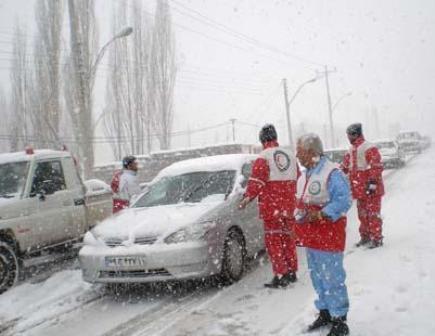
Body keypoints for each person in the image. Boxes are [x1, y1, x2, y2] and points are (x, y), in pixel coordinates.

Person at [294, 133, 351, 336]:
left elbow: (343, 201)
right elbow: (302, 201)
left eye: (299, 151)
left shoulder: (332, 172)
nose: (297, 155)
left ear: (311, 152)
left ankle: (339, 320)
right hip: (312, 239)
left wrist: (321, 214)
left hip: (328, 237)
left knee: (332, 278)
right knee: (317, 277)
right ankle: (325, 312)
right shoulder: (306, 174)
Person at [239, 124, 299, 288]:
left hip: (272, 207)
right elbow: (298, 177)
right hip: (289, 206)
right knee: (288, 239)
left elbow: (256, 181)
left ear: (262, 139)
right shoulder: (290, 155)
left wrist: (247, 198)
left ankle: (281, 275)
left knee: (274, 242)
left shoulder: (263, 156)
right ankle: (292, 271)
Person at [341, 123, 385, 248]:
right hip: (359, 190)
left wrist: (372, 183)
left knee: (373, 214)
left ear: (355, 134)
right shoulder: (350, 150)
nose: (348, 137)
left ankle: (376, 238)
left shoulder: (368, 148)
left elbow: (376, 166)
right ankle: (365, 236)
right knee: (362, 215)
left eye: (349, 134)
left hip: (371, 189)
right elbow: (344, 167)